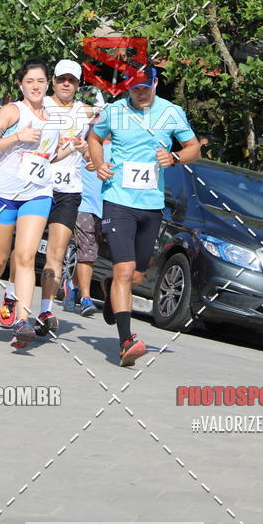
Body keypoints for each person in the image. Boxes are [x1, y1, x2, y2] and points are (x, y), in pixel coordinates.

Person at [88, 63, 200, 367]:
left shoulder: (171, 112)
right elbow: (94, 138)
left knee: (136, 274)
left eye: (146, 87)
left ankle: (112, 288)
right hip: (118, 200)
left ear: (156, 83)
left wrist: (175, 157)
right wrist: (99, 163)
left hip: (151, 205)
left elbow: (194, 149)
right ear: (127, 87)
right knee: (125, 270)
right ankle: (126, 341)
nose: (141, 93)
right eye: (135, 87)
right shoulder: (113, 111)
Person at [0, 59, 70, 348]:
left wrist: (70, 150)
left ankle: (22, 322)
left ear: (47, 83)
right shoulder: (12, 111)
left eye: (40, 81)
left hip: (38, 193)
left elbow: (46, 158)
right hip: (3, 193)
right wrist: (16, 136)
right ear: (21, 85)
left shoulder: (54, 116)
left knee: (25, 256)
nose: (36, 86)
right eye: (30, 81)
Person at [33, 60, 95, 337]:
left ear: (78, 84)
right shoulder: (41, 105)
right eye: (61, 79)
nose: (66, 84)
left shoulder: (86, 113)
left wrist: (87, 153)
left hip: (69, 190)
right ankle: (13, 296)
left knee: (55, 254)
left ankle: (45, 310)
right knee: (25, 251)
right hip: (36, 186)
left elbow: (93, 158)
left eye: (71, 80)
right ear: (53, 81)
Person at [63, 136, 112, 316]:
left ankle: (71, 285)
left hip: (106, 208)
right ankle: (85, 298)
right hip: (84, 205)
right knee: (88, 251)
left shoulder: (120, 147)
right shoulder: (85, 144)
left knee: (90, 254)